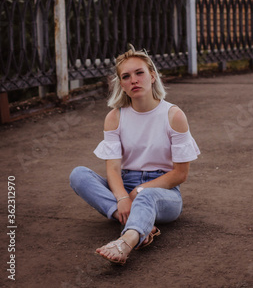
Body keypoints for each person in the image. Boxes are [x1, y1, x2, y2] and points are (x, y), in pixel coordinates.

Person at [69, 46, 200, 265]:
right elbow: (112, 168)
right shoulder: (114, 117)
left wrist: (139, 191)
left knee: (145, 196)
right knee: (78, 175)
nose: (134, 80)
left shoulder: (174, 115)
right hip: (125, 185)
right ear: (121, 84)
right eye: (126, 76)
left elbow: (180, 174)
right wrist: (122, 197)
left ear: (152, 75)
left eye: (139, 73)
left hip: (163, 192)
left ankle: (126, 242)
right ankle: (140, 224)